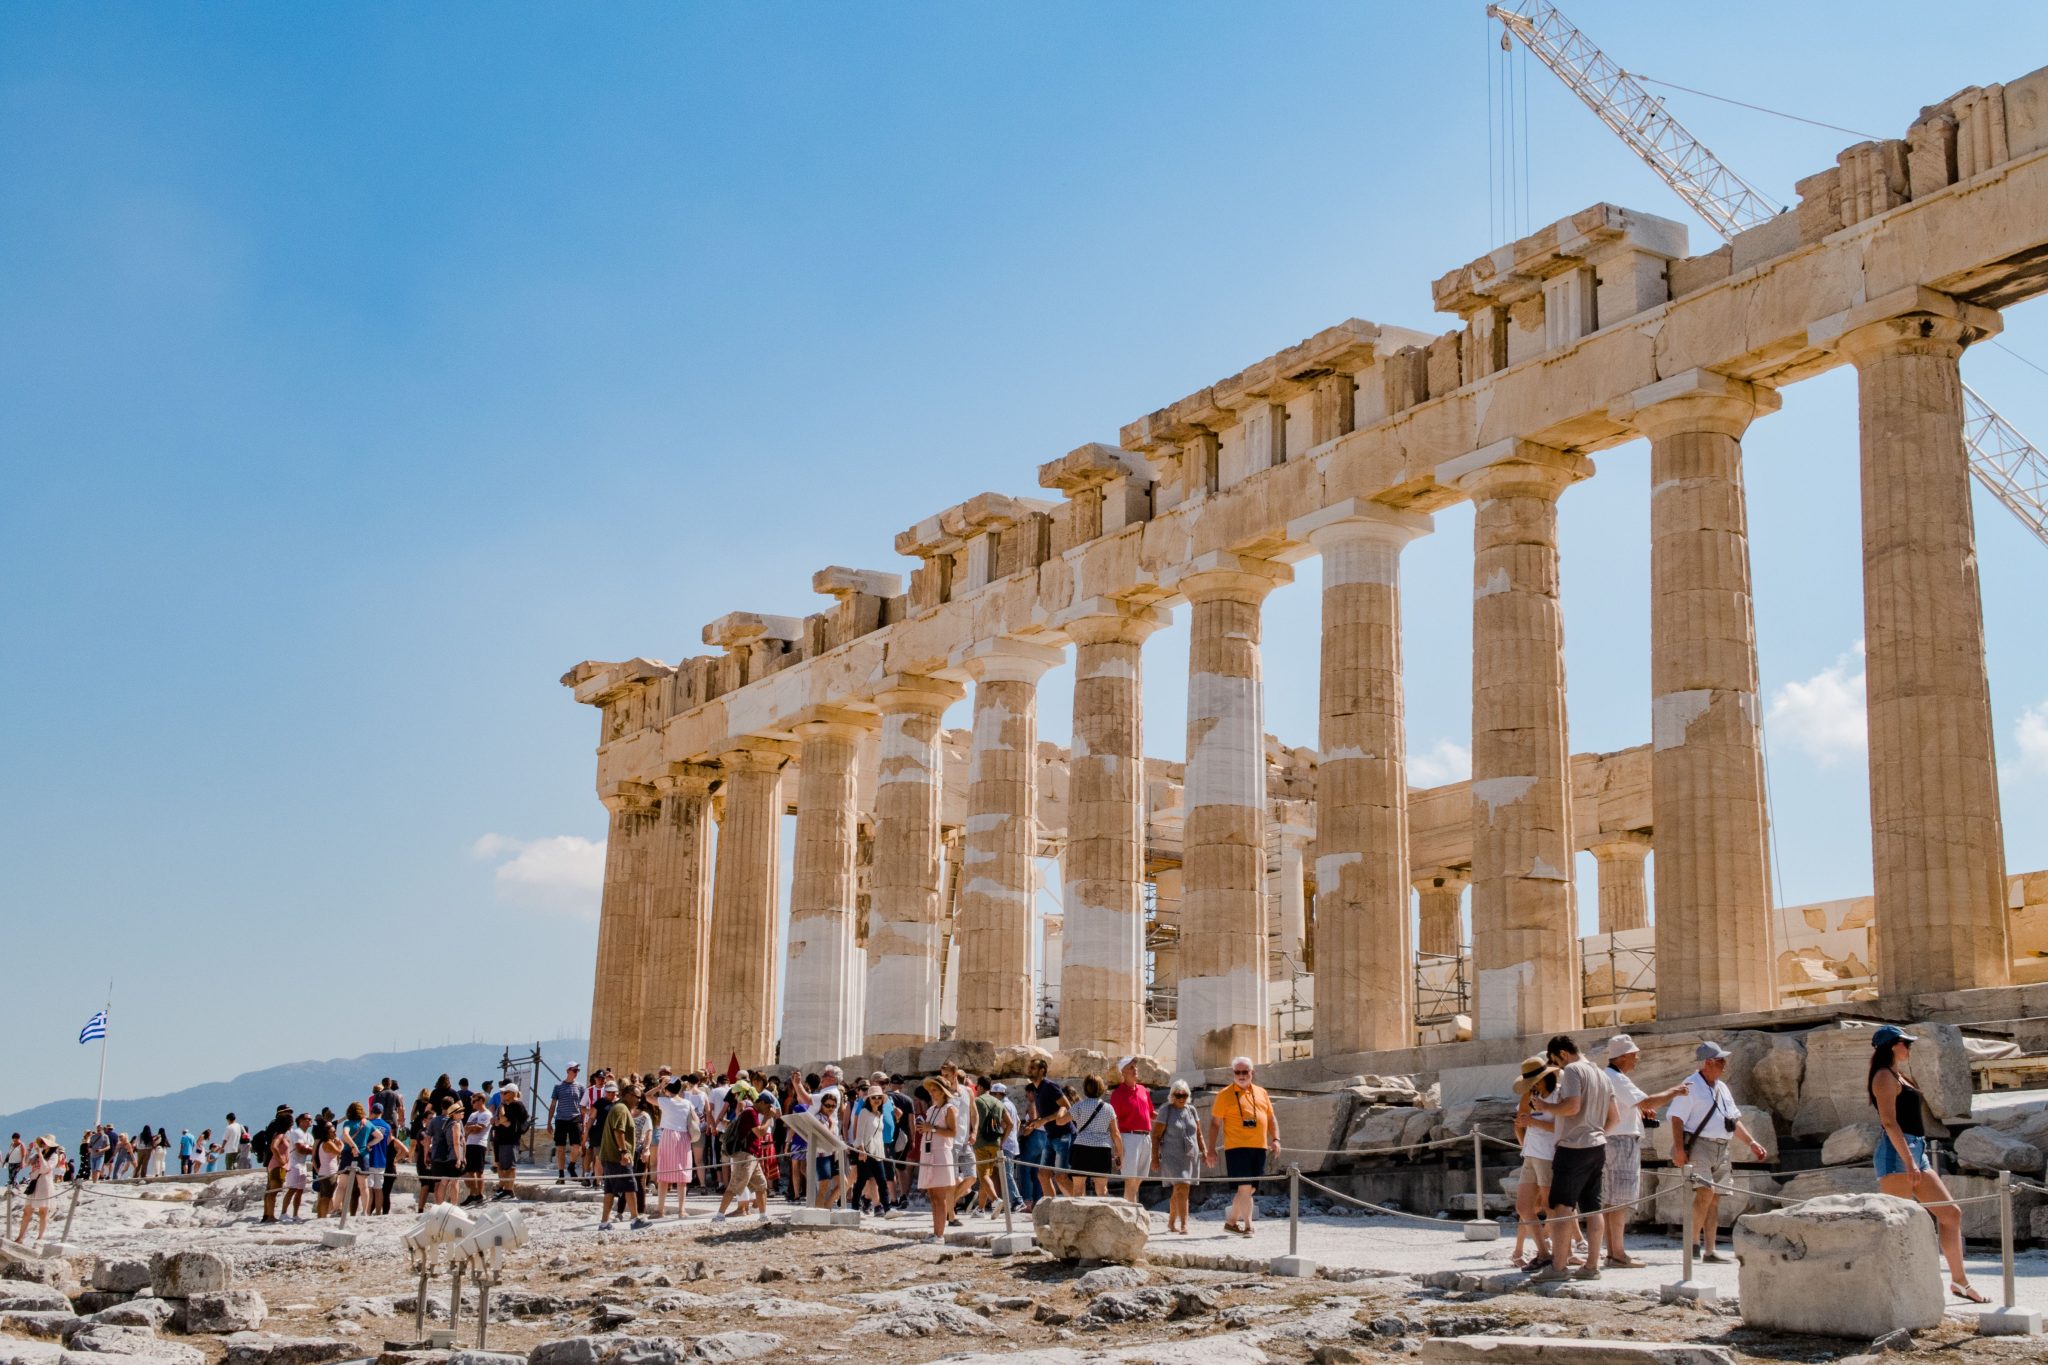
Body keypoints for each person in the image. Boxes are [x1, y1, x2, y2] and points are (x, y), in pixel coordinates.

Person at [1870, 1025, 1987, 1304]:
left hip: (1915, 1149)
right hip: (1899, 1152)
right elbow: (1889, 1122)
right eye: (1904, 1043)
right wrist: (1908, 1159)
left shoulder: (1899, 1074)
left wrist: (1914, 1156)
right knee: (1895, 1223)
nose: (1908, 1047)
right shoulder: (1883, 1076)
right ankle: (1889, 1288)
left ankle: (1959, 1282)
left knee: (1951, 1214)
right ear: (1891, 1046)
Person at [1666, 1041, 1769, 1265]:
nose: (1725, 1065)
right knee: (1705, 1191)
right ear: (1708, 1063)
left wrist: (1751, 1142)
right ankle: (1692, 1242)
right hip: (1700, 1145)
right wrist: (1680, 1149)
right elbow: (1676, 1118)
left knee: (1714, 1199)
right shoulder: (1691, 1084)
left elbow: (1733, 1120)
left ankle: (1709, 1250)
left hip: (1722, 1147)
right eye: (1721, 1061)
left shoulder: (1722, 1087)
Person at [1526, 1035, 1619, 1283]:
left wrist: (1545, 1108)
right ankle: (1591, 1266)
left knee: (1562, 1208)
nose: (1558, 1066)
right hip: (1597, 1146)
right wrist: (1597, 1135)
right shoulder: (1602, 1074)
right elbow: (1615, 1117)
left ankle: (1558, 1268)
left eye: (1556, 1060)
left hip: (1572, 1147)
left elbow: (1572, 1107)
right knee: (1593, 1207)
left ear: (1563, 1054)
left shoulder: (1573, 1071)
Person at [1599, 1034, 1687, 1268]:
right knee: (1619, 1200)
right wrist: (1674, 1091)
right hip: (1621, 1140)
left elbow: (1633, 1105)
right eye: (1634, 1056)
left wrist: (1637, 1112)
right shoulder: (1617, 1079)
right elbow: (1647, 1101)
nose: (1637, 1060)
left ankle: (1613, 1252)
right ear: (1624, 1056)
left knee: (1611, 1199)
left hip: (1612, 1140)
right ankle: (1617, 1254)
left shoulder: (1609, 1076)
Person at [1205, 1055, 1280, 1236]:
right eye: (1237, 1072)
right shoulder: (1224, 1095)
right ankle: (1248, 1225)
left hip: (1259, 1146)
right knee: (1245, 1187)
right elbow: (1215, 1124)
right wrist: (1211, 1149)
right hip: (1236, 1147)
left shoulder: (1261, 1092)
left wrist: (1276, 1139)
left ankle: (1231, 1222)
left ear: (1251, 1073)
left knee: (1249, 1188)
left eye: (1244, 1071)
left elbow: (1270, 1118)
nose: (1241, 1075)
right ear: (1233, 1073)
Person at [1509, 1056, 1557, 1268]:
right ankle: (1544, 1253)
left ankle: (1559, 1253)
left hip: (1548, 1155)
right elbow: (1520, 1123)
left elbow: (1562, 1129)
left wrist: (1533, 1122)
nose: (1533, 1085)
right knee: (1523, 1207)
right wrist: (1524, 1140)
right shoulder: (1531, 1095)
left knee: (1549, 1207)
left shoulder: (1560, 1095)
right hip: (1531, 1154)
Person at [1152, 1080, 1206, 1234]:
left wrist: (1205, 1151)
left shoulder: (1192, 1110)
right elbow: (1155, 1136)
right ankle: (1184, 1224)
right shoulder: (1165, 1110)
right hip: (1172, 1156)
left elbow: (1199, 1133)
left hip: (1190, 1156)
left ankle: (1171, 1223)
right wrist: (1155, 1158)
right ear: (1172, 1095)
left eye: (1184, 1095)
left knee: (1179, 1189)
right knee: (1182, 1187)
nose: (1182, 1098)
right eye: (1178, 1094)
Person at [596, 1081, 649, 1231]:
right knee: (630, 1186)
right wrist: (624, 1151)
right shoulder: (621, 1109)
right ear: (626, 1095)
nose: (639, 1100)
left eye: (640, 1097)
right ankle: (635, 1219)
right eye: (636, 1097)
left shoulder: (619, 1108)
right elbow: (618, 1131)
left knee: (610, 1190)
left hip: (609, 1156)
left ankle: (604, 1223)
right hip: (617, 1157)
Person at [713, 1094, 773, 1222]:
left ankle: (763, 1216)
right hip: (745, 1156)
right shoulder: (750, 1113)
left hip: (751, 1155)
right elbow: (760, 1132)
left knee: (761, 1185)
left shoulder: (752, 1113)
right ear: (761, 1102)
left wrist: (759, 1144)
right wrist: (769, 1117)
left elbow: (754, 1134)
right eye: (767, 1106)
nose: (768, 1109)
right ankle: (719, 1215)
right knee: (734, 1186)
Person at [1016, 1057, 1066, 1210]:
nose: (1029, 1069)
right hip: (1047, 1136)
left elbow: (1065, 1107)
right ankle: (1046, 1205)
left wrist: (1035, 1124)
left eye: (1033, 1067)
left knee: (1026, 1169)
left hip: (1050, 1136)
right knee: (1041, 1173)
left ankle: (1028, 1201)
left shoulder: (1046, 1089)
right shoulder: (1039, 1092)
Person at [915, 1076, 960, 1240]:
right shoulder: (931, 1110)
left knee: (940, 1197)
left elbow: (953, 1132)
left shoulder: (949, 1109)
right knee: (933, 1197)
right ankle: (935, 1232)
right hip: (928, 1153)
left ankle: (939, 1235)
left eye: (935, 1090)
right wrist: (924, 1129)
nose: (932, 1093)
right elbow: (931, 1129)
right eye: (931, 1090)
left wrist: (931, 1128)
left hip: (941, 1153)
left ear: (943, 1092)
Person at [1066, 1075, 1122, 1196]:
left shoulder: (1079, 1106)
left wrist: (1061, 1109)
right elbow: (1115, 1134)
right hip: (1102, 1148)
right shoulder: (1109, 1108)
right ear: (1102, 1088)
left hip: (1081, 1147)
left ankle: (1080, 1214)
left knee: (1078, 1189)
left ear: (1085, 1088)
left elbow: (1061, 1121)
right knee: (1102, 1189)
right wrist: (1120, 1154)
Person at [1110, 1058, 1155, 1204]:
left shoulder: (1143, 1090)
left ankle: (1129, 1204)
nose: (1135, 1069)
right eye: (1131, 1067)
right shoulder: (1117, 1094)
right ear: (1123, 1072)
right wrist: (1118, 1147)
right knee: (1130, 1178)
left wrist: (1168, 1116)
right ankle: (1130, 1208)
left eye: (1135, 1066)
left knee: (1140, 1177)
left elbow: (1151, 1113)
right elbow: (1113, 1122)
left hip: (1146, 1137)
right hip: (1128, 1137)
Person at [651, 1079, 698, 1217]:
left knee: (664, 1173)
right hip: (684, 1137)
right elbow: (696, 1120)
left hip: (669, 1135)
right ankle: (682, 1210)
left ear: (667, 1089)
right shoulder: (687, 1103)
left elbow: (646, 1096)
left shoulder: (665, 1101)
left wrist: (659, 1087)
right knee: (682, 1174)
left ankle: (660, 1209)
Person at [849, 1084, 894, 1217]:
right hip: (866, 1152)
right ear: (868, 1099)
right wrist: (861, 1150)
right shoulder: (864, 1112)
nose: (876, 1100)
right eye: (873, 1097)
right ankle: (854, 1207)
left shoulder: (879, 1114)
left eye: (879, 1097)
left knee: (882, 1181)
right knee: (862, 1180)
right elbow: (859, 1134)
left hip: (878, 1153)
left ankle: (888, 1209)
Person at [970, 1078, 1010, 1213]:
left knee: (983, 1176)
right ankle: (980, 1209)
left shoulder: (977, 1101)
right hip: (995, 1143)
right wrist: (1002, 1141)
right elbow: (1010, 1123)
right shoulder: (999, 1103)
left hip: (981, 1143)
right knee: (986, 1176)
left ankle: (995, 1200)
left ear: (979, 1087)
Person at [547, 1065, 586, 1188]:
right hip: (561, 1119)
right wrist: (549, 1122)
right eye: (574, 1070)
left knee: (576, 1147)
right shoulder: (558, 1086)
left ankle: (571, 1166)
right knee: (560, 1148)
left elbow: (583, 1106)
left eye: (578, 1070)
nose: (576, 1072)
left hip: (575, 1119)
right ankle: (561, 1174)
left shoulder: (580, 1086)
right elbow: (553, 1104)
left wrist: (584, 1123)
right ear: (568, 1071)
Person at [13, 1137, 59, 1243]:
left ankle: (40, 1237)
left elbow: (45, 1169)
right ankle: (20, 1237)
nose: (43, 1144)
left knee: (43, 1212)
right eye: (42, 1142)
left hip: (44, 1183)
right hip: (34, 1183)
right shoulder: (38, 1154)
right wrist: (29, 1150)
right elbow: (25, 1164)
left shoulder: (54, 1156)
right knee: (27, 1212)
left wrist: (41, 1155)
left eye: (45, 1143)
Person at [493, 1084, 527, 1201]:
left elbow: (504, 1120)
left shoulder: (516, 1105)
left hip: (510, 1140)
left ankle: (509, 1190)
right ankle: (505, 1189)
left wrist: (501, 1108)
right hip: (503, 1140)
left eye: (505, 1093)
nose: (502, 1095)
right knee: (503, 1166)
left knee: (510, 1167)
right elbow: (497, 1122)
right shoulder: (508, 1105)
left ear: (513, 1093)